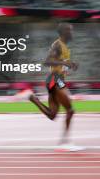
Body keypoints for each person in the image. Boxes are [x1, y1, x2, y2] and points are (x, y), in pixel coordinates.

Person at [20, 23, 82, 151]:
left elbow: (61, 63)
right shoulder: (57, 45)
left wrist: (70, 64)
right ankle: (65, 142)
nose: (72, 33)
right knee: (70, 110)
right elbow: (46, 61)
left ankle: (34, 99)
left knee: (53, 115)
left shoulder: (65, 47)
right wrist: (65, 63)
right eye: (70, 31)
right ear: (64, 32)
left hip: (56, 79)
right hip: (56, 79)